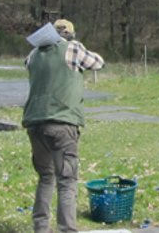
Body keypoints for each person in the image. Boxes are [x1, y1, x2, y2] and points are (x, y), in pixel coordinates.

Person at [23, 19, 105, 233]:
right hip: (62, 123)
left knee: (46, 177)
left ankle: (41, 228)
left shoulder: (33, 55)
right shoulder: (73, 48)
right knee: (67, 180)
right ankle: (67, 230)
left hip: (34, 123)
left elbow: (30, 67)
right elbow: (98, 63)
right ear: (69, 34)